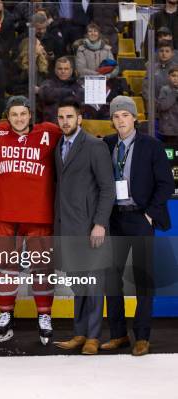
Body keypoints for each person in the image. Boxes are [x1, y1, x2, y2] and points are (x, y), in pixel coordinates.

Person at [101, 96, 174, 356]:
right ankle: (118, 334)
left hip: (140, 218)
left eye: (125, 115)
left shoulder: (151, 146)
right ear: (111, 120)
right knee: (112, 279)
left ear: (134, 118)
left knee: (143, 279)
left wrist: (150, 215)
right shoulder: (106, 144)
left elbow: (166, 184)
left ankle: (142, 336)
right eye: (116, 116)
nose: (120, 120)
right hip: (114, 219)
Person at [0, 96, 62, 345]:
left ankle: (44, 316)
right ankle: (6, 315)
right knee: (5, 269)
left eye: (23, 114)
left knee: (41, 269)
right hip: (5, 215)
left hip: (39, 215)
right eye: (13, 115)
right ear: (6, 117)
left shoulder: (49, 133)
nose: (18, 119)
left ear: (30, 115)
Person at [52, 98, 115, 355]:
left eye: (69, 117)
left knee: (94, 284)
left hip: (90, 228)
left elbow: (107, 189)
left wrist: (99, 223)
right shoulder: (59, 145)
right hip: (68, 228)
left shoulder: (94, 146)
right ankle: (79, 333)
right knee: (78, 284)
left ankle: (93, 336)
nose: (65, 121)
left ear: (79, 119)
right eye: (61, 117)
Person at [38, 57, 84, 122]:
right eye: (60, 69)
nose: (63, 71)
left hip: (72, 125)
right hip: (52, 125)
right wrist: (70, 92)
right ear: (55, 70)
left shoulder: (77, 85)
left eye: (66, 69)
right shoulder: (48, 83)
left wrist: (57, 94)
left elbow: (79, 101)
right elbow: (46, 95)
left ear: (71, 70)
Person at [143, 41, 178, 106]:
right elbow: (146, 89)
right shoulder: (151, 68)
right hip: (154, 108)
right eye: (161, 51)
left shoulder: (176, 69)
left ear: (172, 53)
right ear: (158, 53)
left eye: (167, 51)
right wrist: (155, 104)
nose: (164, 54)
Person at [157, 65, 178, 145]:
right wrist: (174, 93)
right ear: (169, 77)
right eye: (173, 76)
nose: (176, 78)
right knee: (171, 153)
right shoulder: (165, 89)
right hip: (169, 129)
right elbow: (162, 106)